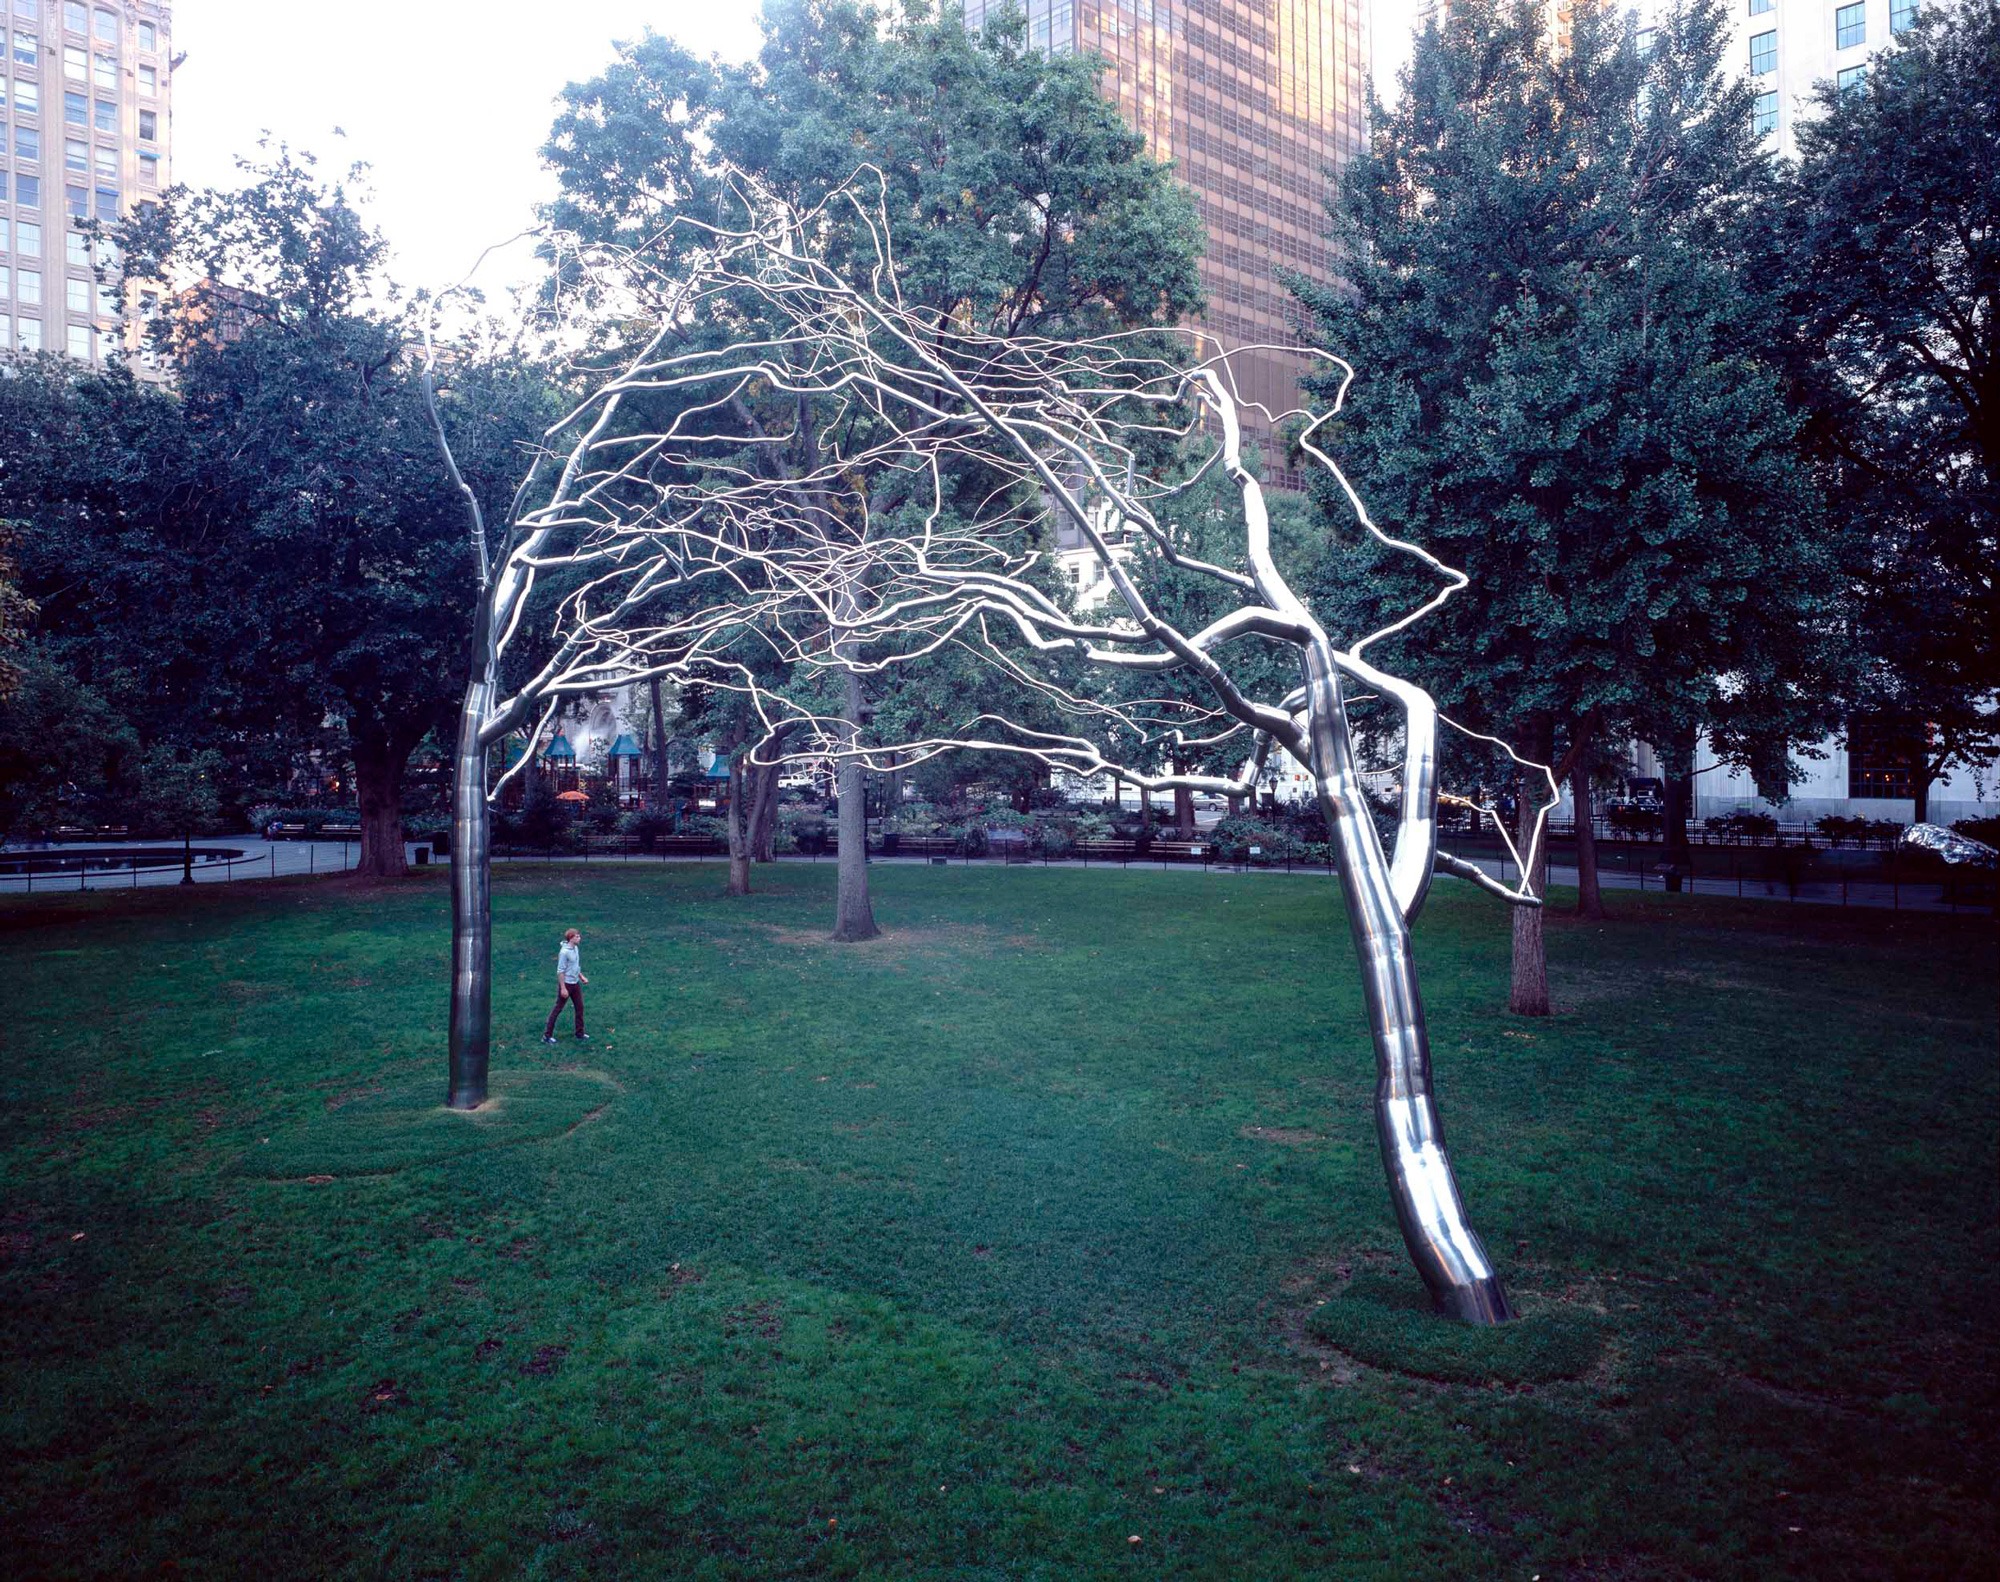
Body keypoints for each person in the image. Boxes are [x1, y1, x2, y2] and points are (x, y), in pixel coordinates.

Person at [543, 928, 589, 1043]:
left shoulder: (576, 948)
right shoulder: (564, 952)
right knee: (558, 1008)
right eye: (577, 936)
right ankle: (546, 1036)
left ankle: (580, 1033)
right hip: (567, 985)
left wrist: (581, 976)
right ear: (571, 938)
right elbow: (560, 971)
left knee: (580, 1007)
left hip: (575, 984)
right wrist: (563, 988)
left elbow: (575, 966)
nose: (579, 938)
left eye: (579, 936)